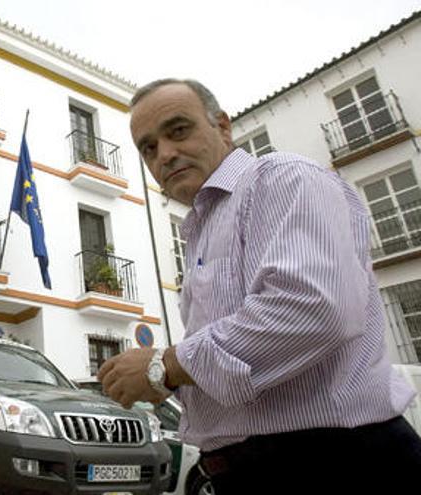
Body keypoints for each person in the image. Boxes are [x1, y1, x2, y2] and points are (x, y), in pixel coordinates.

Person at [97, 78, 421, 493]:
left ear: (223, 127)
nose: (165, 153)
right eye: (148, 147)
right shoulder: (204, 226)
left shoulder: (281, 179)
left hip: (332, 463)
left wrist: (167, 366)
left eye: (178, 130)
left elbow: (310, 308)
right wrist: (173, 381)